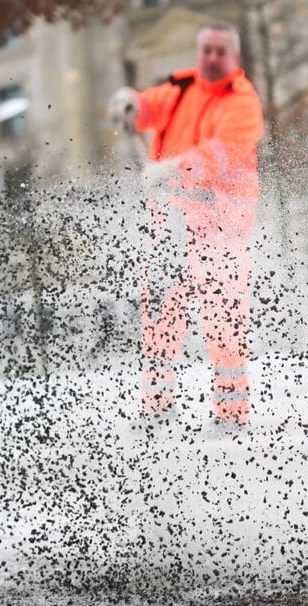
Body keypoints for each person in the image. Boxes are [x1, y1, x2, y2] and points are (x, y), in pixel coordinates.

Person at [108, 22, 264, 427]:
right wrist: (129, 103)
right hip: (172, 227)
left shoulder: (242, 102)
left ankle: (232, 414)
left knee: (224, 322)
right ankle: (156, 409)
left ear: (235, 58)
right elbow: (147, 107)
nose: (212, 58)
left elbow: (219, 155)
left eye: (220, 52)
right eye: (206, 50)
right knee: (159, 318)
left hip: (222, 231)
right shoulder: (181, 90)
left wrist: (175, 167)